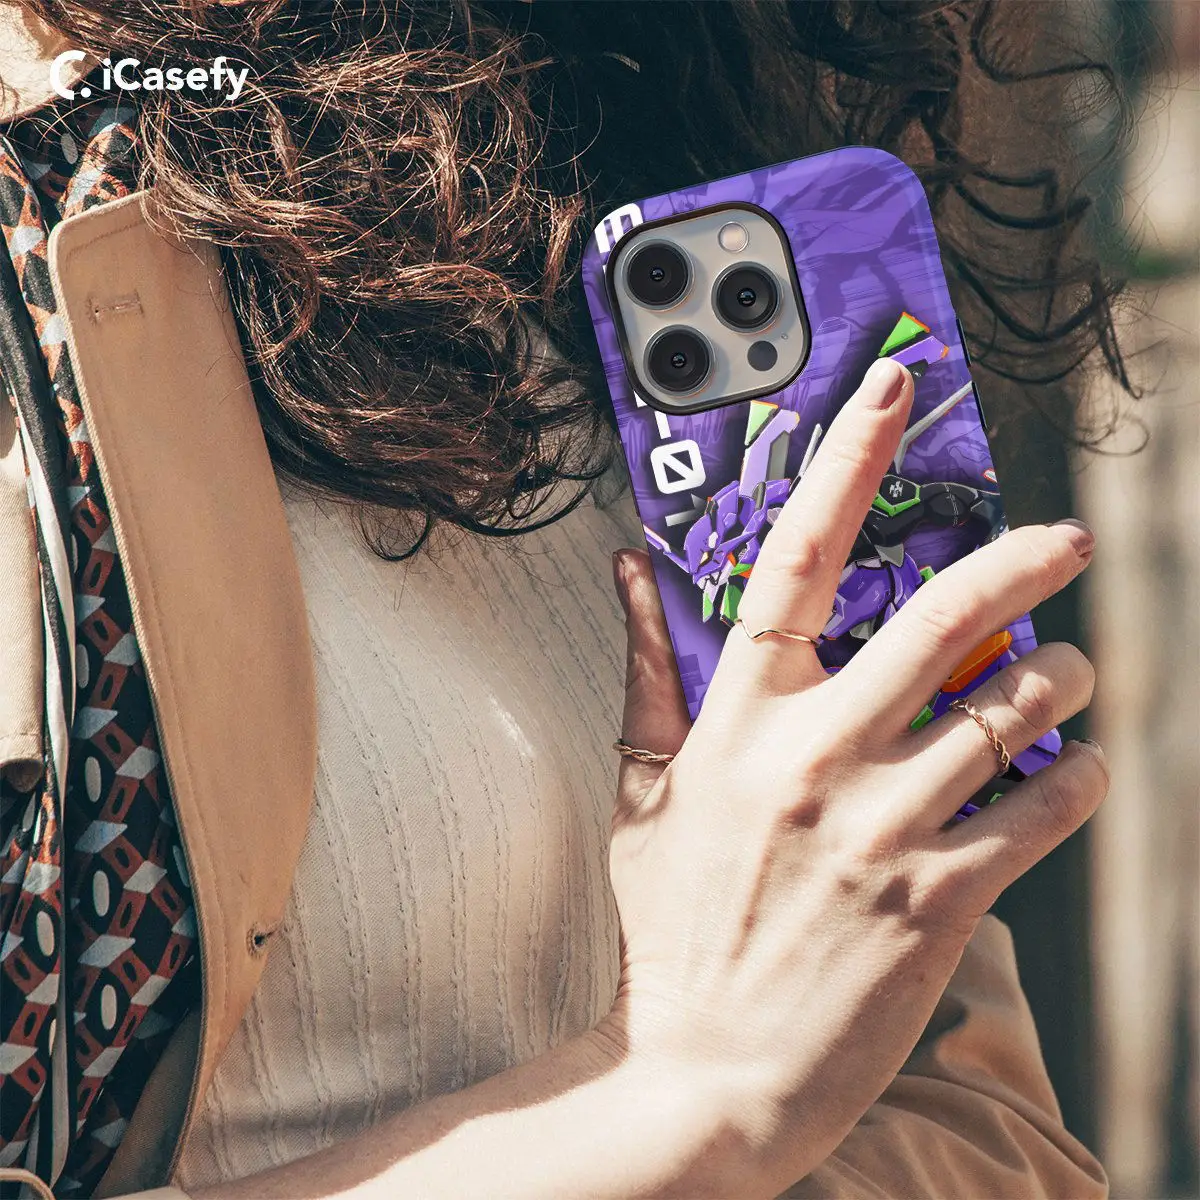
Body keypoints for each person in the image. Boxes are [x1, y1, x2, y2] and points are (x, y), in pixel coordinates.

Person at [0, 2, 1126, 1196]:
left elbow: (989, 1137)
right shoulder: (47, 256)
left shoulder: (617, 167)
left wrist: (740, 1091)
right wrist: (686, 1088)